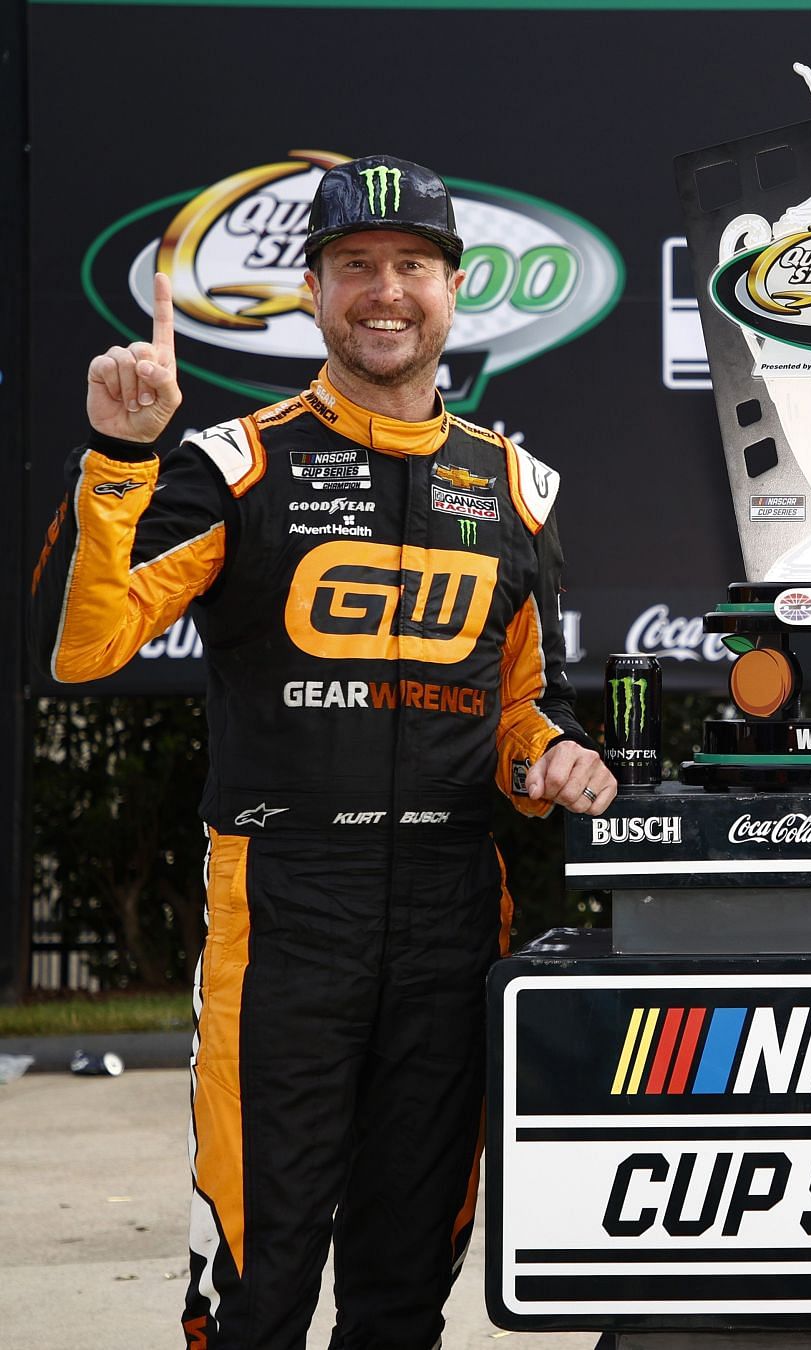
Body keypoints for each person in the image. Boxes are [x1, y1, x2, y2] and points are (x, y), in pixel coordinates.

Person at [31, 154, 617, 1349]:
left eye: (412, 266)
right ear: (311, 290)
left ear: (457, 292)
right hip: (286, 907)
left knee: (407, 1285)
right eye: (356, 267)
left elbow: (515, 713)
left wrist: (560, 760)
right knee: (261, 1278)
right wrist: (121, 460)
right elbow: (86, 652)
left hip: (457, 908)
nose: (384, 292)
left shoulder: (514, 489)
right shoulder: (234, 464)